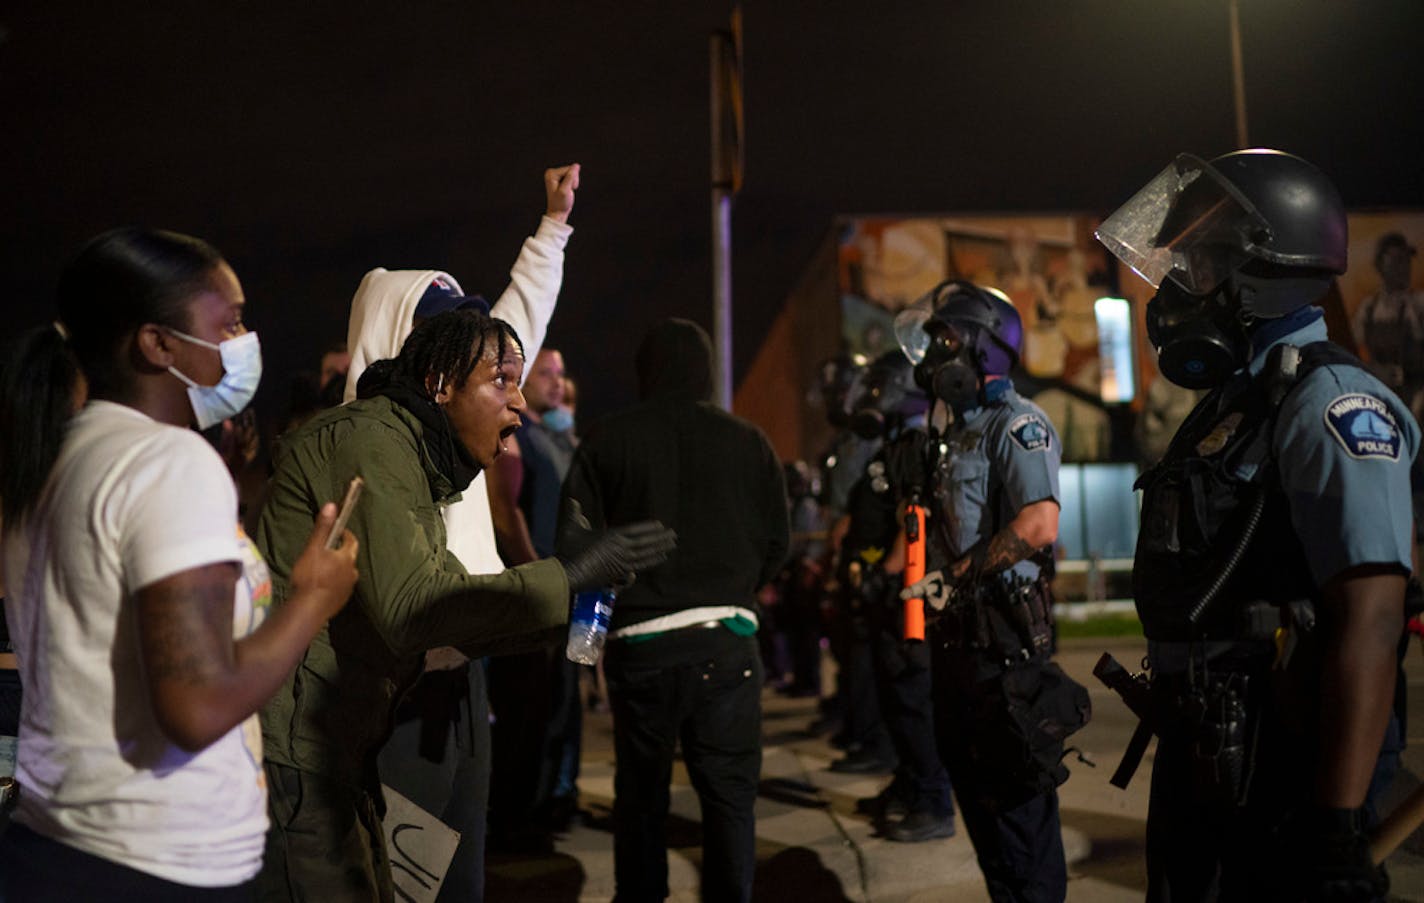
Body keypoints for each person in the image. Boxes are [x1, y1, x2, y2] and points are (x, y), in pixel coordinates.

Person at [254, 307, 675, 902]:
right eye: (501, 380)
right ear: (440, 384)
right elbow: (412, 612)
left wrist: (577, 596)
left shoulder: (412, 462)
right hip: (298, 760)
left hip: (335, 756)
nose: (520, 402)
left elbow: (456, 618)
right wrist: (563, 578)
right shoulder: (374, 440)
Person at [1095, 149, 1418, 901]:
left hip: (1284, 762)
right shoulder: (1239, 404)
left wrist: (1337, 822)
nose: (1180, 288)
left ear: (1268, 269)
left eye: (1201, 263)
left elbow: (1371, 618)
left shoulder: (1331, 401)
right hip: (1211, 750)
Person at [0, 227, 360, 902]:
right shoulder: (168, 463)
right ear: (157, 343)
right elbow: (195, 706)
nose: (244, 340)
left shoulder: (45, 459)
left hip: (55, 842)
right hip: (159, 859)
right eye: (229, 322)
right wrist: (314, 598)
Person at [344, 163, 579, 902]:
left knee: (460, 882)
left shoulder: (456, 434)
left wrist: (552, 227)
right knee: (407, 888)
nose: (463, 367)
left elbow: (520, 325)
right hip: (399, 704)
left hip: (462, 686)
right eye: (439, 344)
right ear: (393, 343)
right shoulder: (360, 448)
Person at [559, 318, 789, 903]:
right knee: (729, 799)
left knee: (640, 798)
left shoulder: (607, 440)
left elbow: (576, 544)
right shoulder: (750, 441)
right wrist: (736, 587)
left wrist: (591, 634)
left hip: (641, 646)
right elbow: (778, 544)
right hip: (726, 639)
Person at [896, 280, 1089, 902]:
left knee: (1019, 815)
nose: (934, 355)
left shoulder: (1019, 423)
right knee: (978, 800)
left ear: (985, 349)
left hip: (1006, 647)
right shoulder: (955, 434)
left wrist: (951, 579)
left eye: (946, 340)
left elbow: (1038, 524)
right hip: (959, 647)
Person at [835, 351, 956, 842]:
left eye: (884, 387)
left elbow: (914, 521)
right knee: (893, 697)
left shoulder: (916, 443)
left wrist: (883, 574)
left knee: (911, 700)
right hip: (889, 591)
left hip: (907, 595)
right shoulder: (896, 442)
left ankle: (933, 801)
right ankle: (909, 785)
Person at [486, 347, 584, 846]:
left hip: (573, 587)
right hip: (538, 589)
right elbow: (507, 509)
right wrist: (534, 575)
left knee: (566, 699)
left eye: (560, 374)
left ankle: (558, 796)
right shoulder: (522, 436)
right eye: (545, 372)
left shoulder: (565, 439)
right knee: (530, 706)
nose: (556, 381)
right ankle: (522, 811)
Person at [1351, 232, 1424, 422]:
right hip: (1380, 400)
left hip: (1416, 401)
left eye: (1407, 260)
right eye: (1398, 260)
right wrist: (1374, 371)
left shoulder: (1418, 304)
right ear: (1381, 265)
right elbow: (1349, 353)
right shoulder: (1368, 309)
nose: (1405, 267)